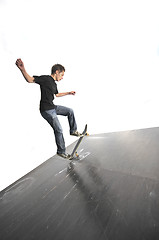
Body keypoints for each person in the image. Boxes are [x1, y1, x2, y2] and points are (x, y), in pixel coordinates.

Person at [15, 58, 81, 159]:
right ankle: (61, 151)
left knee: (70, 111)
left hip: (53, 107)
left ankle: (73, 131)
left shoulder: (54, 84)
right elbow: (30, 80)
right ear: (57, 72)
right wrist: (22, 69)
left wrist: (68, 93)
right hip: (46, 110)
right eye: (62, 75)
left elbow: (57, 95)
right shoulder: (45, 79)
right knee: (58, 129)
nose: (62, 77)